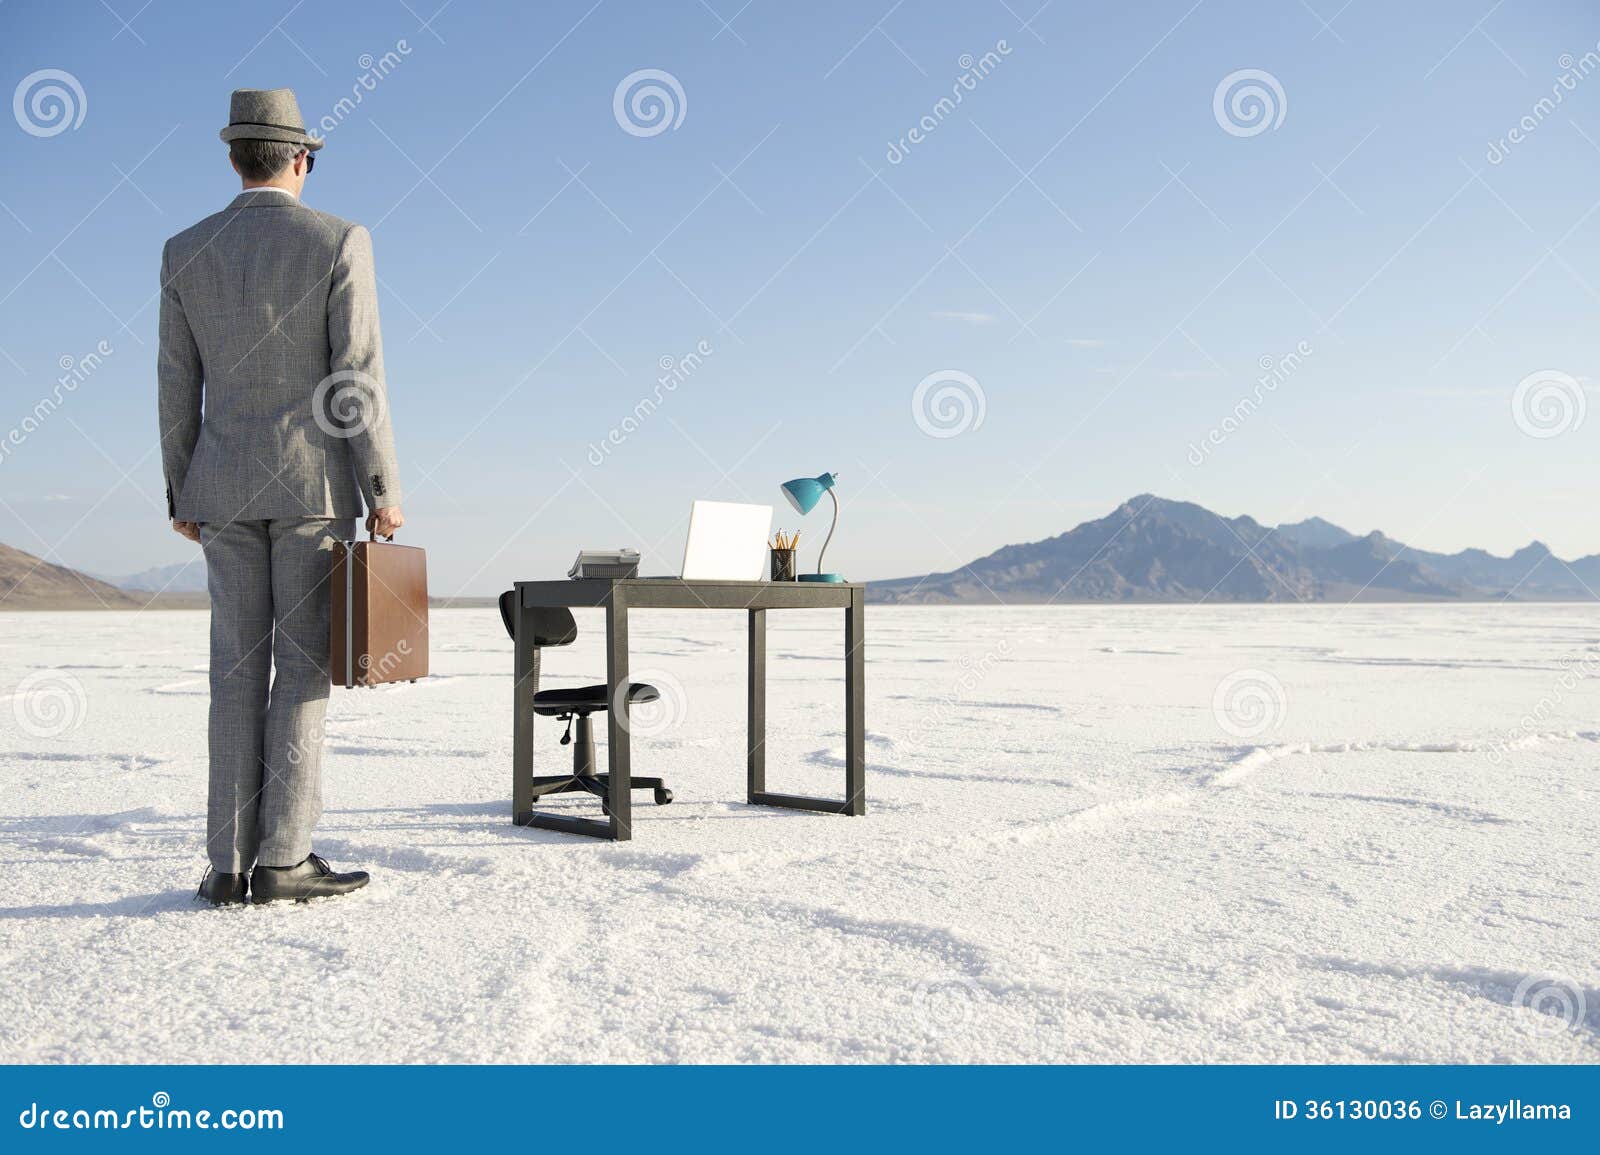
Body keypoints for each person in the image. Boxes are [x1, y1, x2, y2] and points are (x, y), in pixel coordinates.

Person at [158, 88, 404, 905]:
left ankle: (228, 866)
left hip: (220, 488)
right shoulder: (338, 239)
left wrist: (180, 486)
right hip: (311, 488)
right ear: (300, 158)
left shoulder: (184, 250)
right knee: (299, 672)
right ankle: (284, 860)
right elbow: (355, 377)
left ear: (233, 158)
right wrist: (381, 487)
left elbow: (175, 384)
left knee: (233, 672)